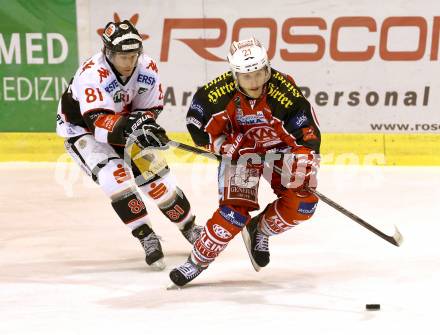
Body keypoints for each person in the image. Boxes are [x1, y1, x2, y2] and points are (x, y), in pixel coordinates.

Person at [169, 37, 321, 286]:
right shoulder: (215, 94)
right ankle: (196, 261)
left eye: (260, 73)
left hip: (280, 149)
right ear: (235, 74)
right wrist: (222, 145)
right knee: (233, 214)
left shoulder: (285, 93)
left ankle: (260, 229)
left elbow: (307, 134)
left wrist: (303, 165)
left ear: (267, 68)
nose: (255, 82)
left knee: (303, 204)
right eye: (247, 76)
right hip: (241, 152)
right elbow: (197, 126)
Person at [56, 19, 202, 270]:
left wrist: (145, 125)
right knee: (114, 178)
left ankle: (189, 227)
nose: (129, 62)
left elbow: (150, 108)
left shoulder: (148, 68)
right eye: (122, 57)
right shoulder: (92, 74)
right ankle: (146, 236)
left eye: (133, 55)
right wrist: (133, 125)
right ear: (108, 53)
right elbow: (98, 123)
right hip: (84, 131)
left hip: (123, 126)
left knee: (158, 179)